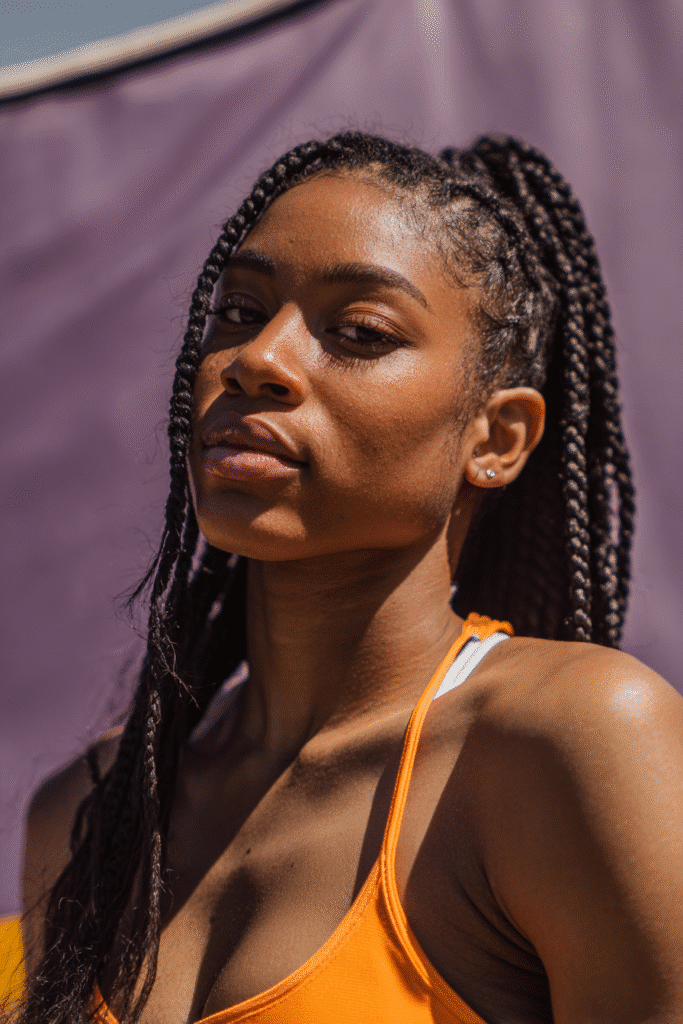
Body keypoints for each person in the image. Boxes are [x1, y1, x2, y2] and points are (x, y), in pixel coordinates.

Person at [14, 132, 683, 1024]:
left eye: (358, 332)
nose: (257, 360)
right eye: (241, 311)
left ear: (496, 439)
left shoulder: (570, 743)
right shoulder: (90, 817)